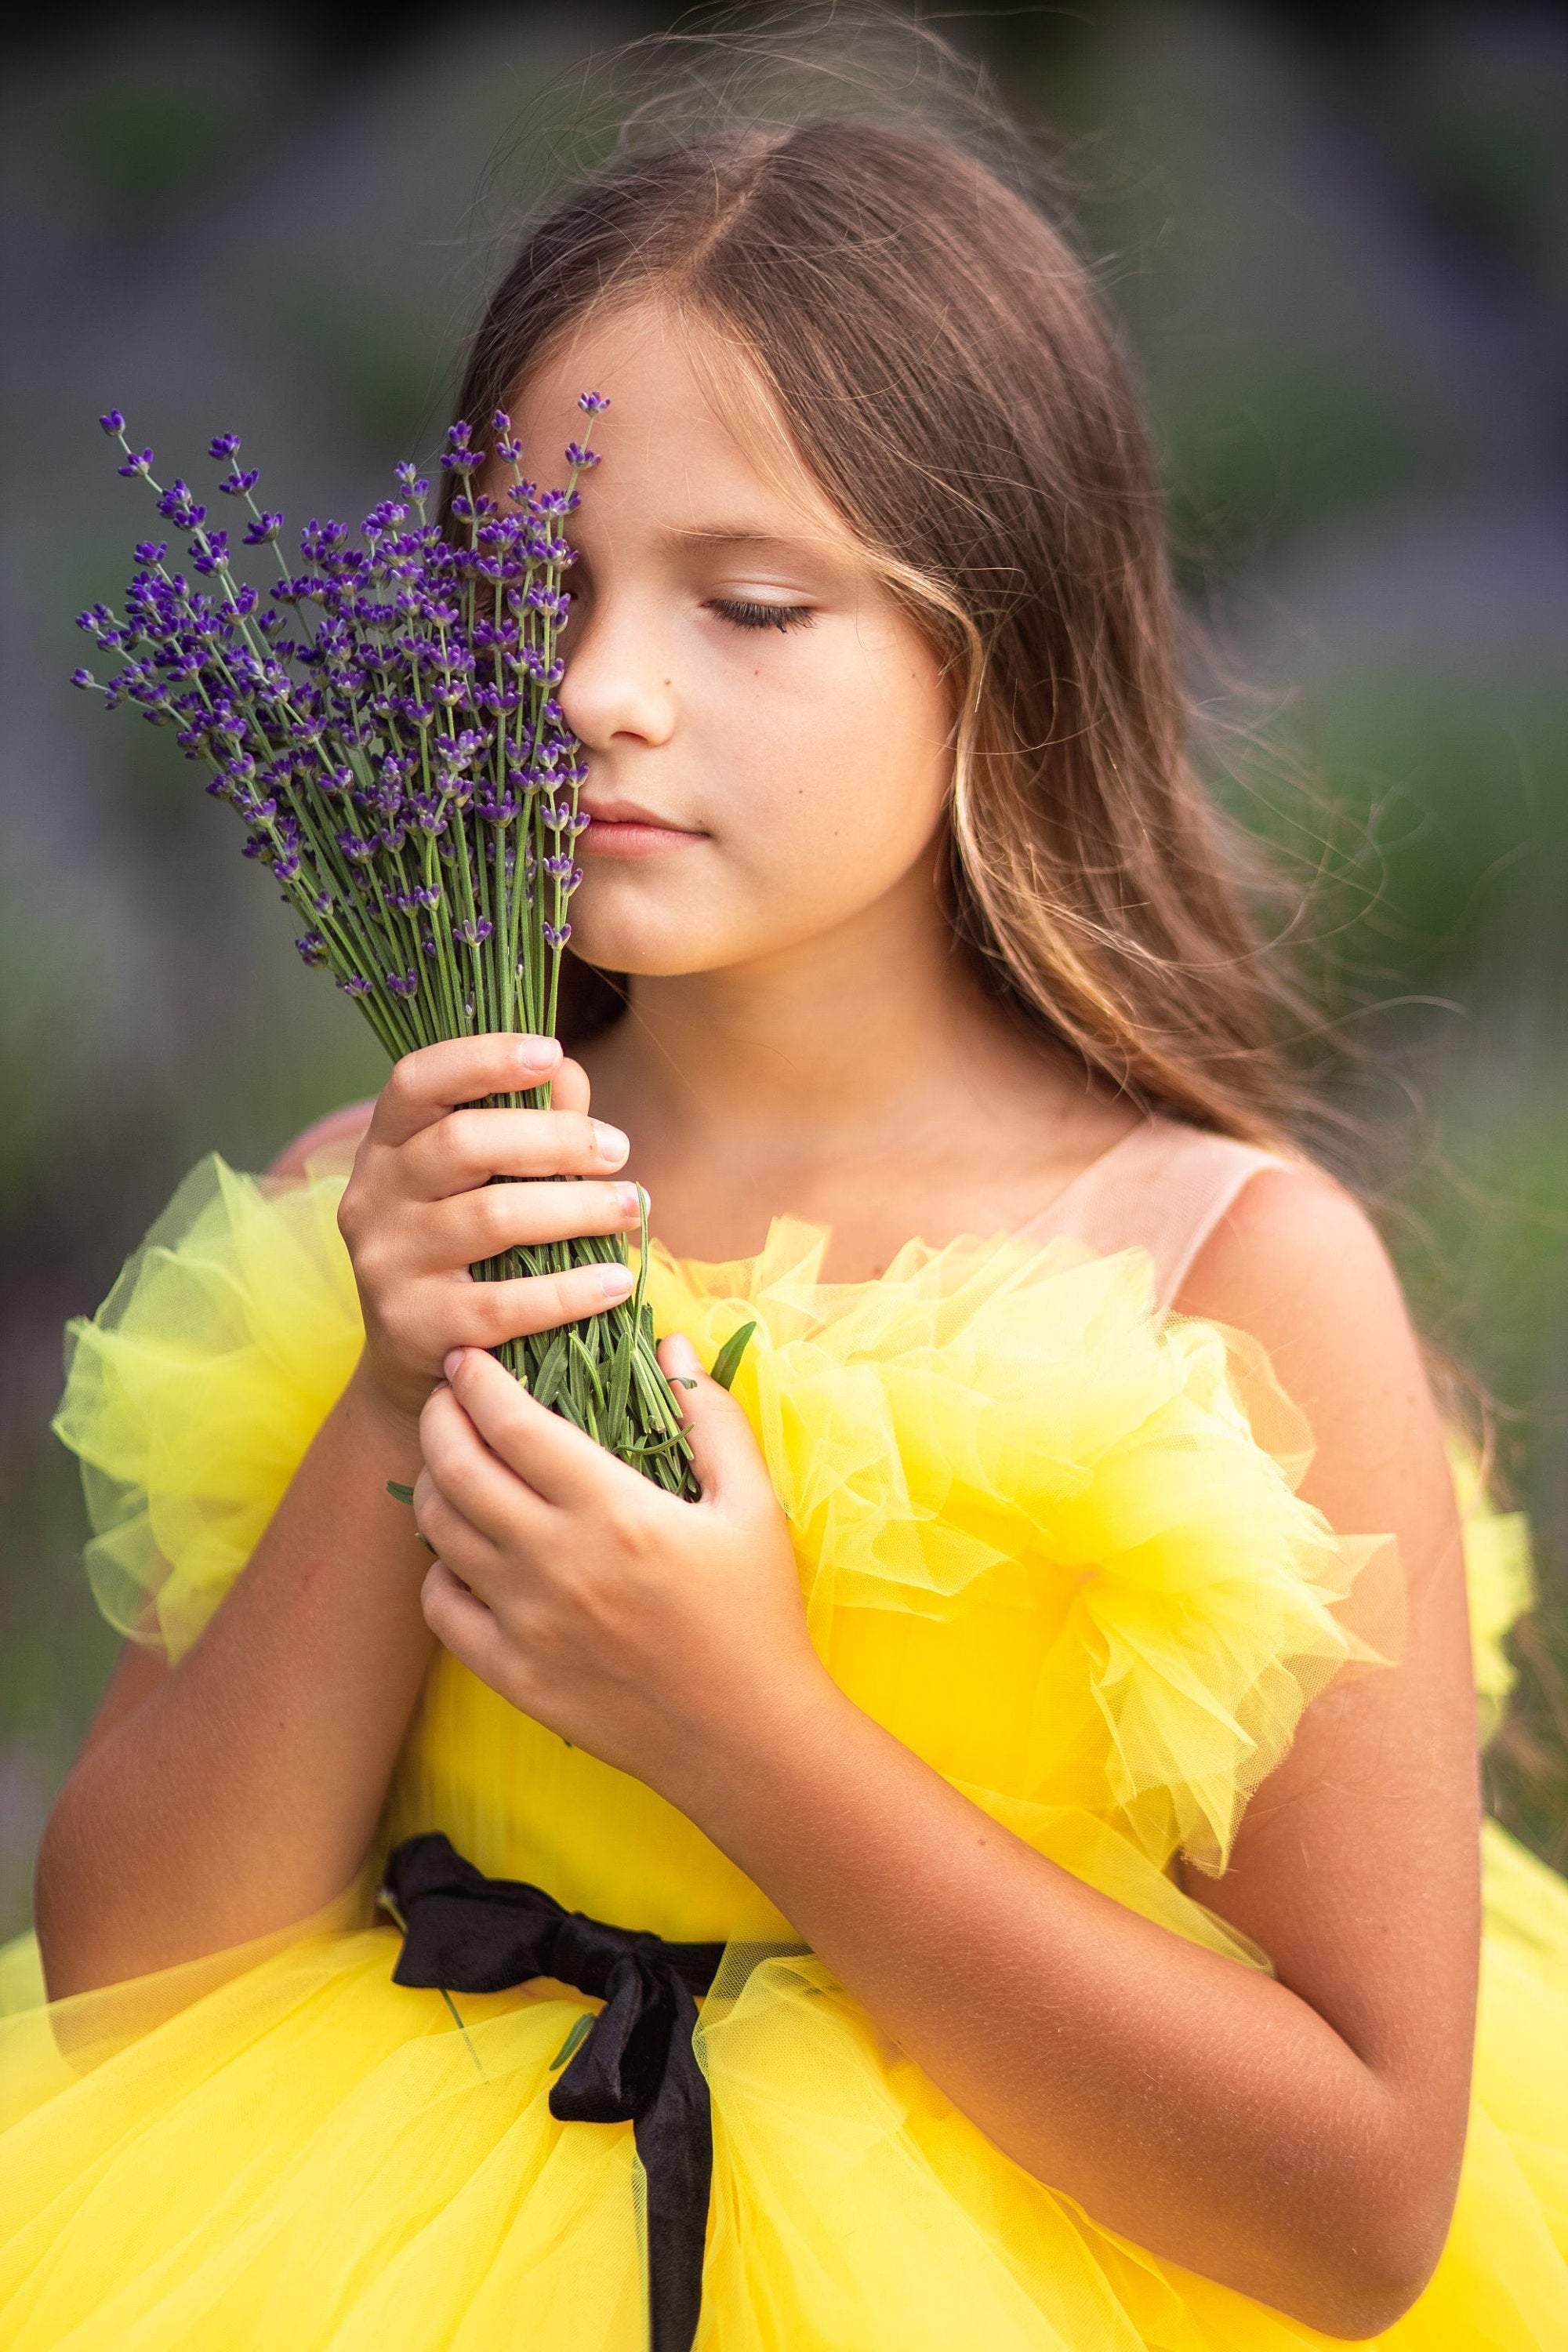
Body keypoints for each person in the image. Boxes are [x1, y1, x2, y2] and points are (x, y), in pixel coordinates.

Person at [5, 97, 1566, 2352]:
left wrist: (745, 1734)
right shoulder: (375, 1200)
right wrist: (400, 1376)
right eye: (540, 594)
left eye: (747, 605)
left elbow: (1353, 2216)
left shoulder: (1220, 1273)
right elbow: (140, 1994)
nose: (595, 692)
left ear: (995, 647)